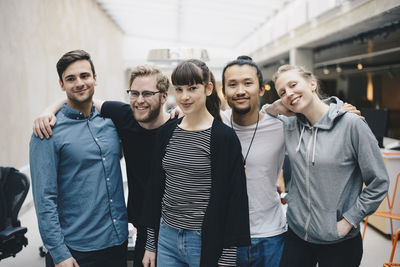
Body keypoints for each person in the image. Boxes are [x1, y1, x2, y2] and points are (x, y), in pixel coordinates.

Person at [32, 65, 177, 267]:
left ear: (163, 97)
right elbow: (81, 97)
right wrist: (48, 110)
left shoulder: (179, 128)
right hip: (143, 229)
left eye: (147, 93)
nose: (140, 100)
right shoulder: (124, 116)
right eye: (134, 93)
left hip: (178, 229)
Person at [267, 64, 389, 267]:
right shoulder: (290, 126)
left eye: (293, 84)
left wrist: (349, 220)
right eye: (282, 92)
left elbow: (379, 182)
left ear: (312, 83)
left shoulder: (351, 124)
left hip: (339, 241)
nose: (289, 93)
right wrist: (277, 106)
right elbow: (262, 114)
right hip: (297, 236)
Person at [141, 59, 250, 267]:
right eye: (179, 89)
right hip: (167, 238)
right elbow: (155, 189)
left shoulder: (223, 137)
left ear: (208, 88)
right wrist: (150, 244)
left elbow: (234, 198)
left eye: (192, 88)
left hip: (203, 239)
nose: (185, 96)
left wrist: (227, 258)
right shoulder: (167, 132)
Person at [30, 50, 128, 267]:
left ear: (95, 78)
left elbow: (148, 118)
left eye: (85, 76)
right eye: (70, 79)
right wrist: (59, 253)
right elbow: (44, 198)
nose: (79, 83)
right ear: (61, 84)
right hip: (76, 250)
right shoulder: (47, 131)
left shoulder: (111, 122)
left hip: (117, 240)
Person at [220, 56, 287, 267]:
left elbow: (313, 111)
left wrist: (338, 109)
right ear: (223, 91)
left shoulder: (281, 126)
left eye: (248, 83)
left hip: (272, 235)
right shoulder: (214, 123)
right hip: (227, 235)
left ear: (260, 89)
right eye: (232, 84)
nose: (240, 90)